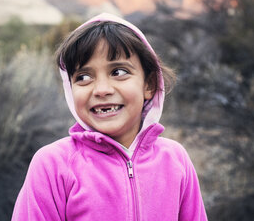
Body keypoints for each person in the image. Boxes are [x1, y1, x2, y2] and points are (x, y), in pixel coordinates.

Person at [11, 13, 208, 220]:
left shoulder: (175, 159)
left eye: (119, 72)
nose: (102, 90)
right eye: (83, 77)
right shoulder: (53, 164)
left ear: (149, 85)